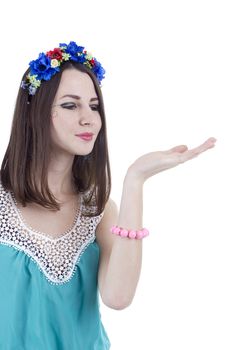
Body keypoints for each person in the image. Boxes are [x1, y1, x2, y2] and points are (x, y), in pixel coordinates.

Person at [0, 40, 217, 349]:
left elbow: (118, 297)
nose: (89, 118)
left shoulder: (97, 211)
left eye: (94, 105)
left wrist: (135, 181)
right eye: (70, 105)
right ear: (35, 111)